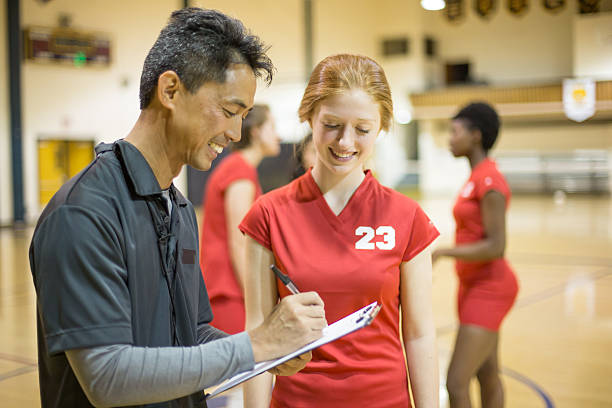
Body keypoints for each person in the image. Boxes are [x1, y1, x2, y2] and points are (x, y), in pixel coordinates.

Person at [29, 8, 326, 408]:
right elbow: (107, 377)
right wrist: (255, 344)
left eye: (242, 117)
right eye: (228, 111)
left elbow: (195, 333)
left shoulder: (180, 209)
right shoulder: (83, 214)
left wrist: (268, 354)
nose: (236, 133)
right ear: (170, 91)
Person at [240, 54, 440, 407]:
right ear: (309, 118)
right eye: (332, 124)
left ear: (381, 128)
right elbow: (257, 333)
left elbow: (420, 335)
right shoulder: (268, 215)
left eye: (363, 129)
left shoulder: (407, 217)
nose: (346, 142)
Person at [432, 102, 519, 408]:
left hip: (489, 287)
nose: (450, 138)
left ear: (476, 136)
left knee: (455, 382)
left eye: (455, 131)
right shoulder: (476, 177)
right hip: (471, 285)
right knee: (488, 373)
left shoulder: (490, 181)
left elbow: (497, 246)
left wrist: (443, 251)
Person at [200, 104, 280, 334]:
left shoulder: (241, 170)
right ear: (256, 132)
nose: (278, 135)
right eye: (272, 127)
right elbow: (238, 241)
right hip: (229, 292)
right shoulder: (239, 171)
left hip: (229, 290)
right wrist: (255, 300)